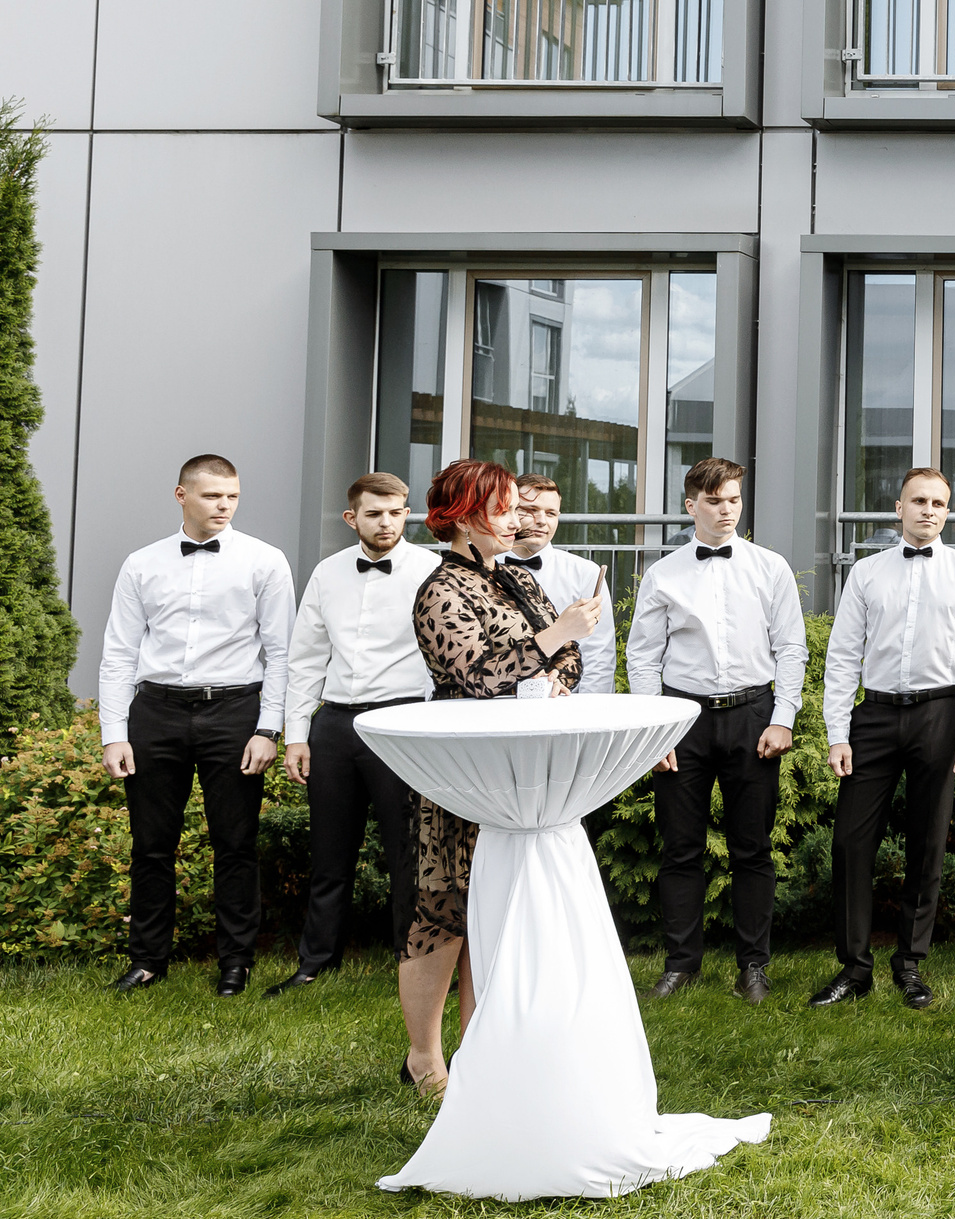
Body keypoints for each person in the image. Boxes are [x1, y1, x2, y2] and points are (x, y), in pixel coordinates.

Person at [400, 459, 607, 1094]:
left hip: (524, 766)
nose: (517, 519)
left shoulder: (517, 577)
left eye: (519, 507)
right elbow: (475, 673)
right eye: (504, 508)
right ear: (462, 518)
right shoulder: (441, 590)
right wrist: (553, 640)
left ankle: (482, 1055)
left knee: (499, 908)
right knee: (446, 909)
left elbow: (569, 658)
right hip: (465, 766)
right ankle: (424, 1059)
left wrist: (550, 668)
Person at [97, 454, 296, 997]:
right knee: (151, 845)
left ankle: (236, 962)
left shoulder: (265, 561)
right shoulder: (142, 563)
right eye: (212, 496)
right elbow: (118, 652)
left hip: (234, 712)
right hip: (155, 713)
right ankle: (147, 960)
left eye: (232, 495)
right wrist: (114, 731)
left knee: (235, 844)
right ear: (181, 495)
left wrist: (268, 729)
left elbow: (281, 653)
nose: (224, 506)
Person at [810, 466, 955, 1011]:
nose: (928, 511)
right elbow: (843, 656)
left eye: (939, 504)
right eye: (918, 501)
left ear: (948, 512)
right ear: (898, 508)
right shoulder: (867, 574)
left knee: (928, 841)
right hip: (873, 716)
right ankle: (854, 969)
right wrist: (837, 732)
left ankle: (910, 964)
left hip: (939, 714)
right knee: (850, 842)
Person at [625, 458, 807, 1004]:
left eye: (733, 500)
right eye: (714, 501)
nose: (726, 510)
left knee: (753, 851)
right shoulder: (664, 574)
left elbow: (792, 648)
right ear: (691, 506)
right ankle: (681, 964)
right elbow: (642, 657)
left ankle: (754, 966)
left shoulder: (770, 568)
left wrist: (783, 718)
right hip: (683, 721)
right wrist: (654, 732)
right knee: (680, 849)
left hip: (754, 716)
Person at [268, 472, 439, 996]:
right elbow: (305, 658)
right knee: (330, 853)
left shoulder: (434, 570)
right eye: (374, 514)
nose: (387, 522)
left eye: (395, 512)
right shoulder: (326, 573)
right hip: (336, 725)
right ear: (352, 519)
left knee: (408, 853)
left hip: (403, 722)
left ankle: (413, 963)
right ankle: (316, 961)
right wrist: (296, 734)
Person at [508, 475, 620, 695]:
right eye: (531, 510)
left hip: (564, 703)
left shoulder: (586, 572)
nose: (542, 520)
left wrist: (588, 715)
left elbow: (599, 653)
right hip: (492, 703)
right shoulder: (479, 569)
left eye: (551, 513)